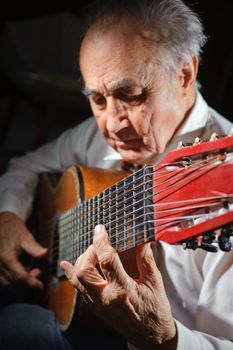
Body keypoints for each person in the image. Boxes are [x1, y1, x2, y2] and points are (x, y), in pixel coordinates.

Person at [0, 0, 232, 349]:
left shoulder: (222, 182)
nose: (111, 123)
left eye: (131, 95)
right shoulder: (98, 133)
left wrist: (165, 338)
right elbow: (26, 166)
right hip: (62, 300)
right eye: (97, 99)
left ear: (184, 75)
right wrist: (8, 214)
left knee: (18, 326)